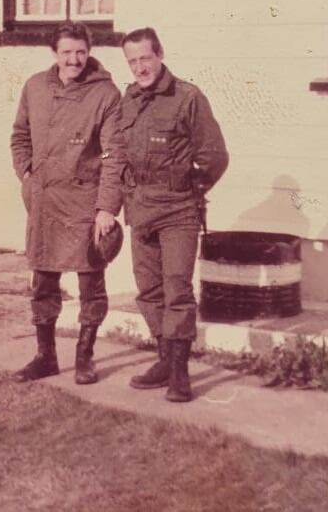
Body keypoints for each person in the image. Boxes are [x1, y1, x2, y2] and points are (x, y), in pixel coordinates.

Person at [10, 21, 124, 385]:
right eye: (66, 52)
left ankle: (85, 357)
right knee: (43, 282)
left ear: (89, 51)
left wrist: (106, 208)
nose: (74, 60)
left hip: (85, 204)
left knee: (91, 284)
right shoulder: (34, 87)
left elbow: (114, 154)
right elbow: (19, 136)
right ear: (54, 53)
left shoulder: (106, 94)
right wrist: (27, 174)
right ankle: (45, 357)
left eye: (80, 52)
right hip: (44, 202)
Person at [119, 27, 229, 402]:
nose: (139, 67)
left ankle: (180, 375)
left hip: (178, 210)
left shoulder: (187, 98)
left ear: (160, 54)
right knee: (149, 290)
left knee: (177, 288)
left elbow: (214, 156)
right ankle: (165, 360)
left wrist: (189, 190)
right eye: (132, 61)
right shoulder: (128, 99)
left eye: (144, 58)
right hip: (140, 208)